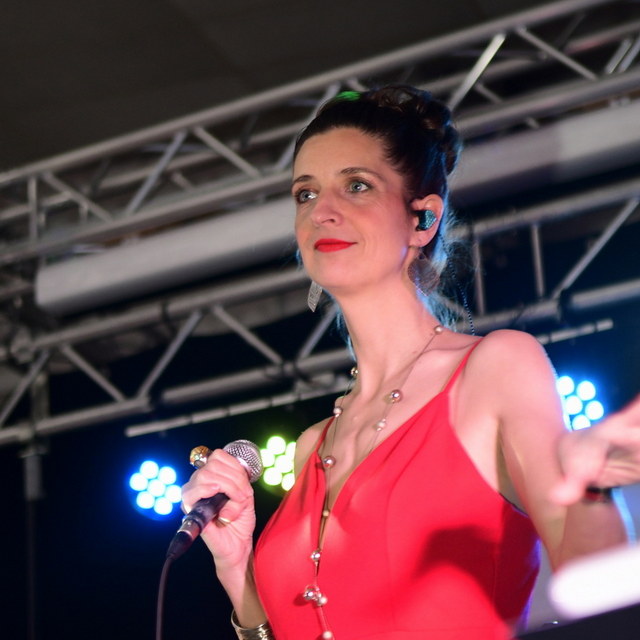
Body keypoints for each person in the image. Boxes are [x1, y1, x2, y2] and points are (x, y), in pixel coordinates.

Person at [180, 86, 640, 640]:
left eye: (356, 186)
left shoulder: (496, 369)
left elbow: (599, 591)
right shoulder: (309, 448)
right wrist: (236, 568)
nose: (322, 211)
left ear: (422, 219)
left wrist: (592, 489)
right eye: (305, 193)